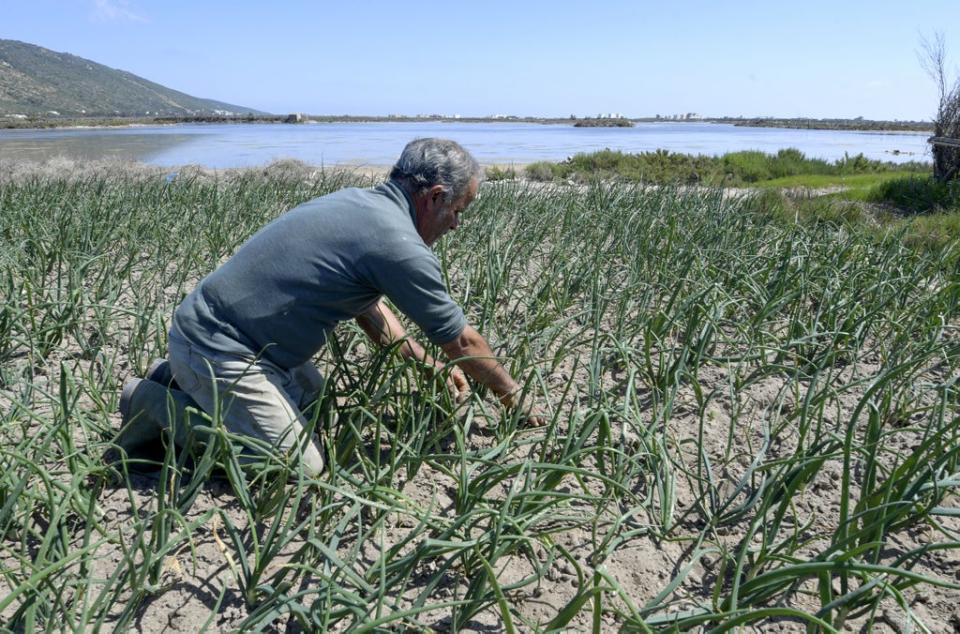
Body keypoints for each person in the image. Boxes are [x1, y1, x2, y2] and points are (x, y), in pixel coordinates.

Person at [117, 138, 543, 476]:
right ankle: (149, 402)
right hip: (220, 345)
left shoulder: (363, 204)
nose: (456, 225)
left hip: (236, 339)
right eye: (457, 211)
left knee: (317, 407)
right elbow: (463, 342)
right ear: (433, 197)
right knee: (296, 463)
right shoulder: (398, 244)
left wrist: (422, 361)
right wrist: (512, 395)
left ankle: (172, 374)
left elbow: (368, 309)